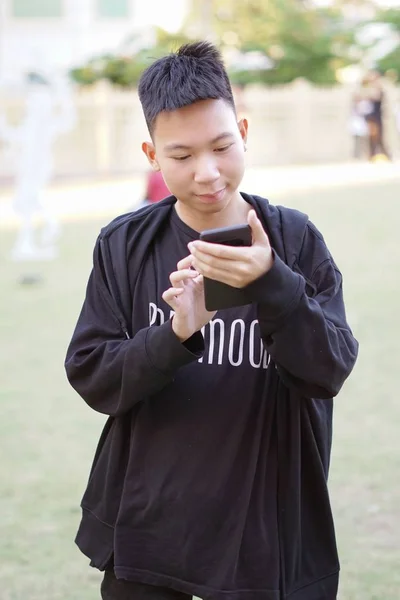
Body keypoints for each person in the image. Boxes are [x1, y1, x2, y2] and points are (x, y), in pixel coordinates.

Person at [65, 42, 358, 600]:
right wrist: (175, 336)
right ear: (152, 154)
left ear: (243, 131)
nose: (207, 172)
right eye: (181, 155)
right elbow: (92, 375)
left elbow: (329, 370)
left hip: (265, 528)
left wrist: (275, 284)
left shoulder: (294, 239)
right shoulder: (125, 244)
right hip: (150, 528)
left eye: (222, 146)